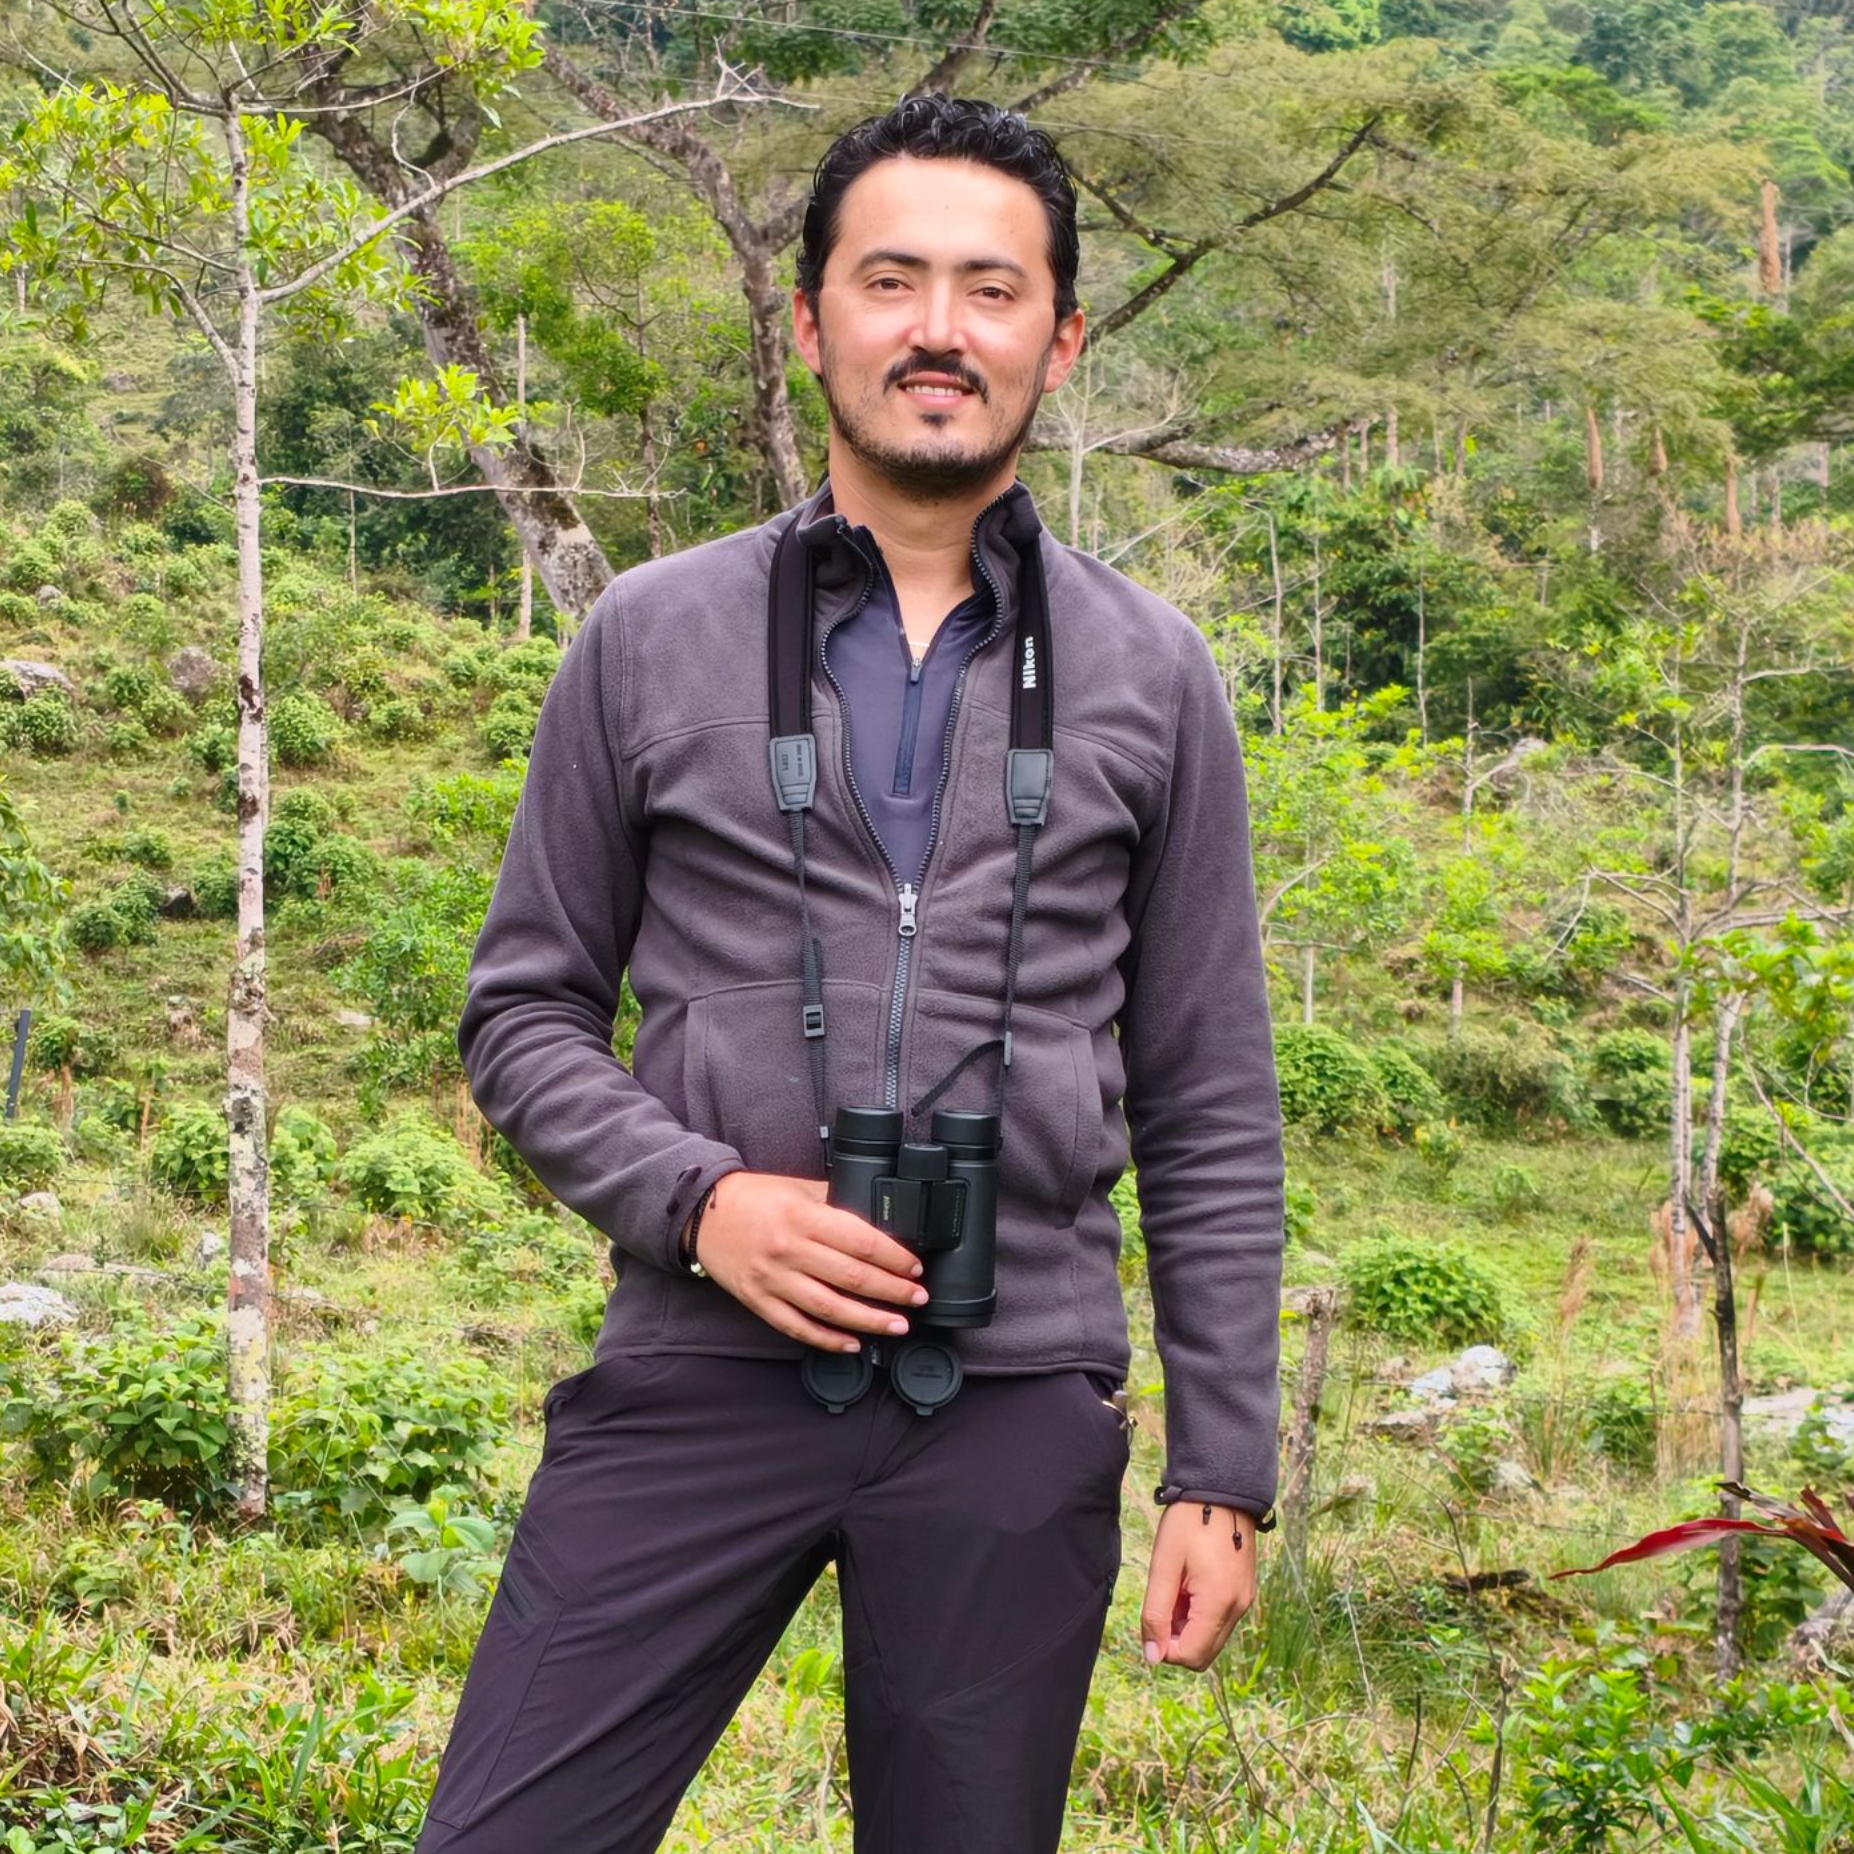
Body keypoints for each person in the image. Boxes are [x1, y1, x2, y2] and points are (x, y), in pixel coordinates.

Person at [418, 94, 1285, 1854]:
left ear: (1061, 338)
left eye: (990, 287)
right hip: (695, 1366)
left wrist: (1222, 1464)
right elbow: (521, 1010)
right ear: (811, 320)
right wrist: (702, 1200)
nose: (938, 329)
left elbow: (1206, 1092)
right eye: (890, 281)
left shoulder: (1152, 671)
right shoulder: (648, 633)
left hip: (1015, 1400)